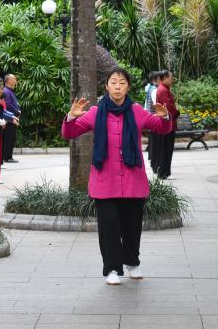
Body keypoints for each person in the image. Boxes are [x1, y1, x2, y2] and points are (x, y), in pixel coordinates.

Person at [61, 67, 173, 285]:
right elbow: (69, 132)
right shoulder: (96, 112)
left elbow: (162, 128)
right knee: (109, 227)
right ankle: (112, 269)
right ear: (106, 86)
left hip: (133, 181)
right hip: (105, 181)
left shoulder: (137, 111)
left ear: (128, 86)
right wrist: (71, 116)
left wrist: (165, 116)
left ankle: (132, 263)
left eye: (122, 82)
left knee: (132, 226)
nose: (118, 87)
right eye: (113, 82)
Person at [151, 70, 178, 180]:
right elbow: (168, 107)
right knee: (166, 149)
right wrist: (177, 112)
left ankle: (164, 172)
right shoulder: (163, 90)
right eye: (171, 78)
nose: (172, 80)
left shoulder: (164, 89)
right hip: (167, 123)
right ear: (165, 78)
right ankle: (163, 173)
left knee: (166, 148)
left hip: (167, 123)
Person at [1, 74, 21, 163]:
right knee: (9, 138)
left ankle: (7, 156)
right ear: (8, 81)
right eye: (14, 79)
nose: (15, 81)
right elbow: (8, 105)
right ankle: (7, 157)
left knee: (10, 137)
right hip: (9, 119)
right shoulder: (6, 91)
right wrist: (17, 112)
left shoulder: (10, 91)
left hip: (12, 117)